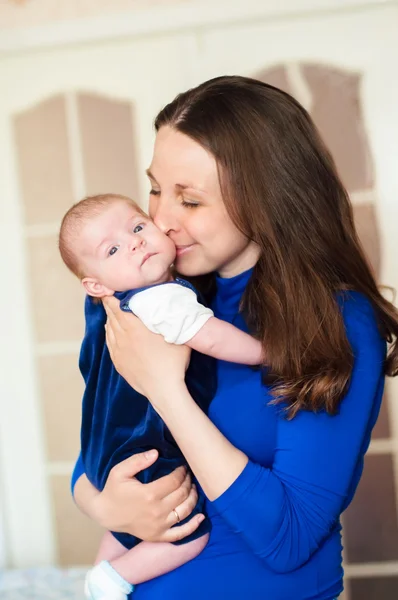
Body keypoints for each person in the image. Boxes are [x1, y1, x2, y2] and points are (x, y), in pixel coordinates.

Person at [71, 75, 398, 600]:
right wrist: (104, 505)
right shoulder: (162, 299)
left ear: (266, 199)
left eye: (191, 201)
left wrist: (167, 390)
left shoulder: (333, 321)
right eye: (156, 189)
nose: (160, 220)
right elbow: (100, 443)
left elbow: (289, 538)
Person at [59, 193, 263, 599]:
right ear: (95, 283)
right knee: (189, 536)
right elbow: (214, 339)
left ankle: (102, 572)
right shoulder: (161, 298)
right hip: (148, 448)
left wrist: (103, 506)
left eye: (137, 227)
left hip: (105, 455)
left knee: (125, 528)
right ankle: (113, 578)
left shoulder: (106, 305)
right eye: (113, 249)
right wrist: (268, 351)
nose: (135, 242)